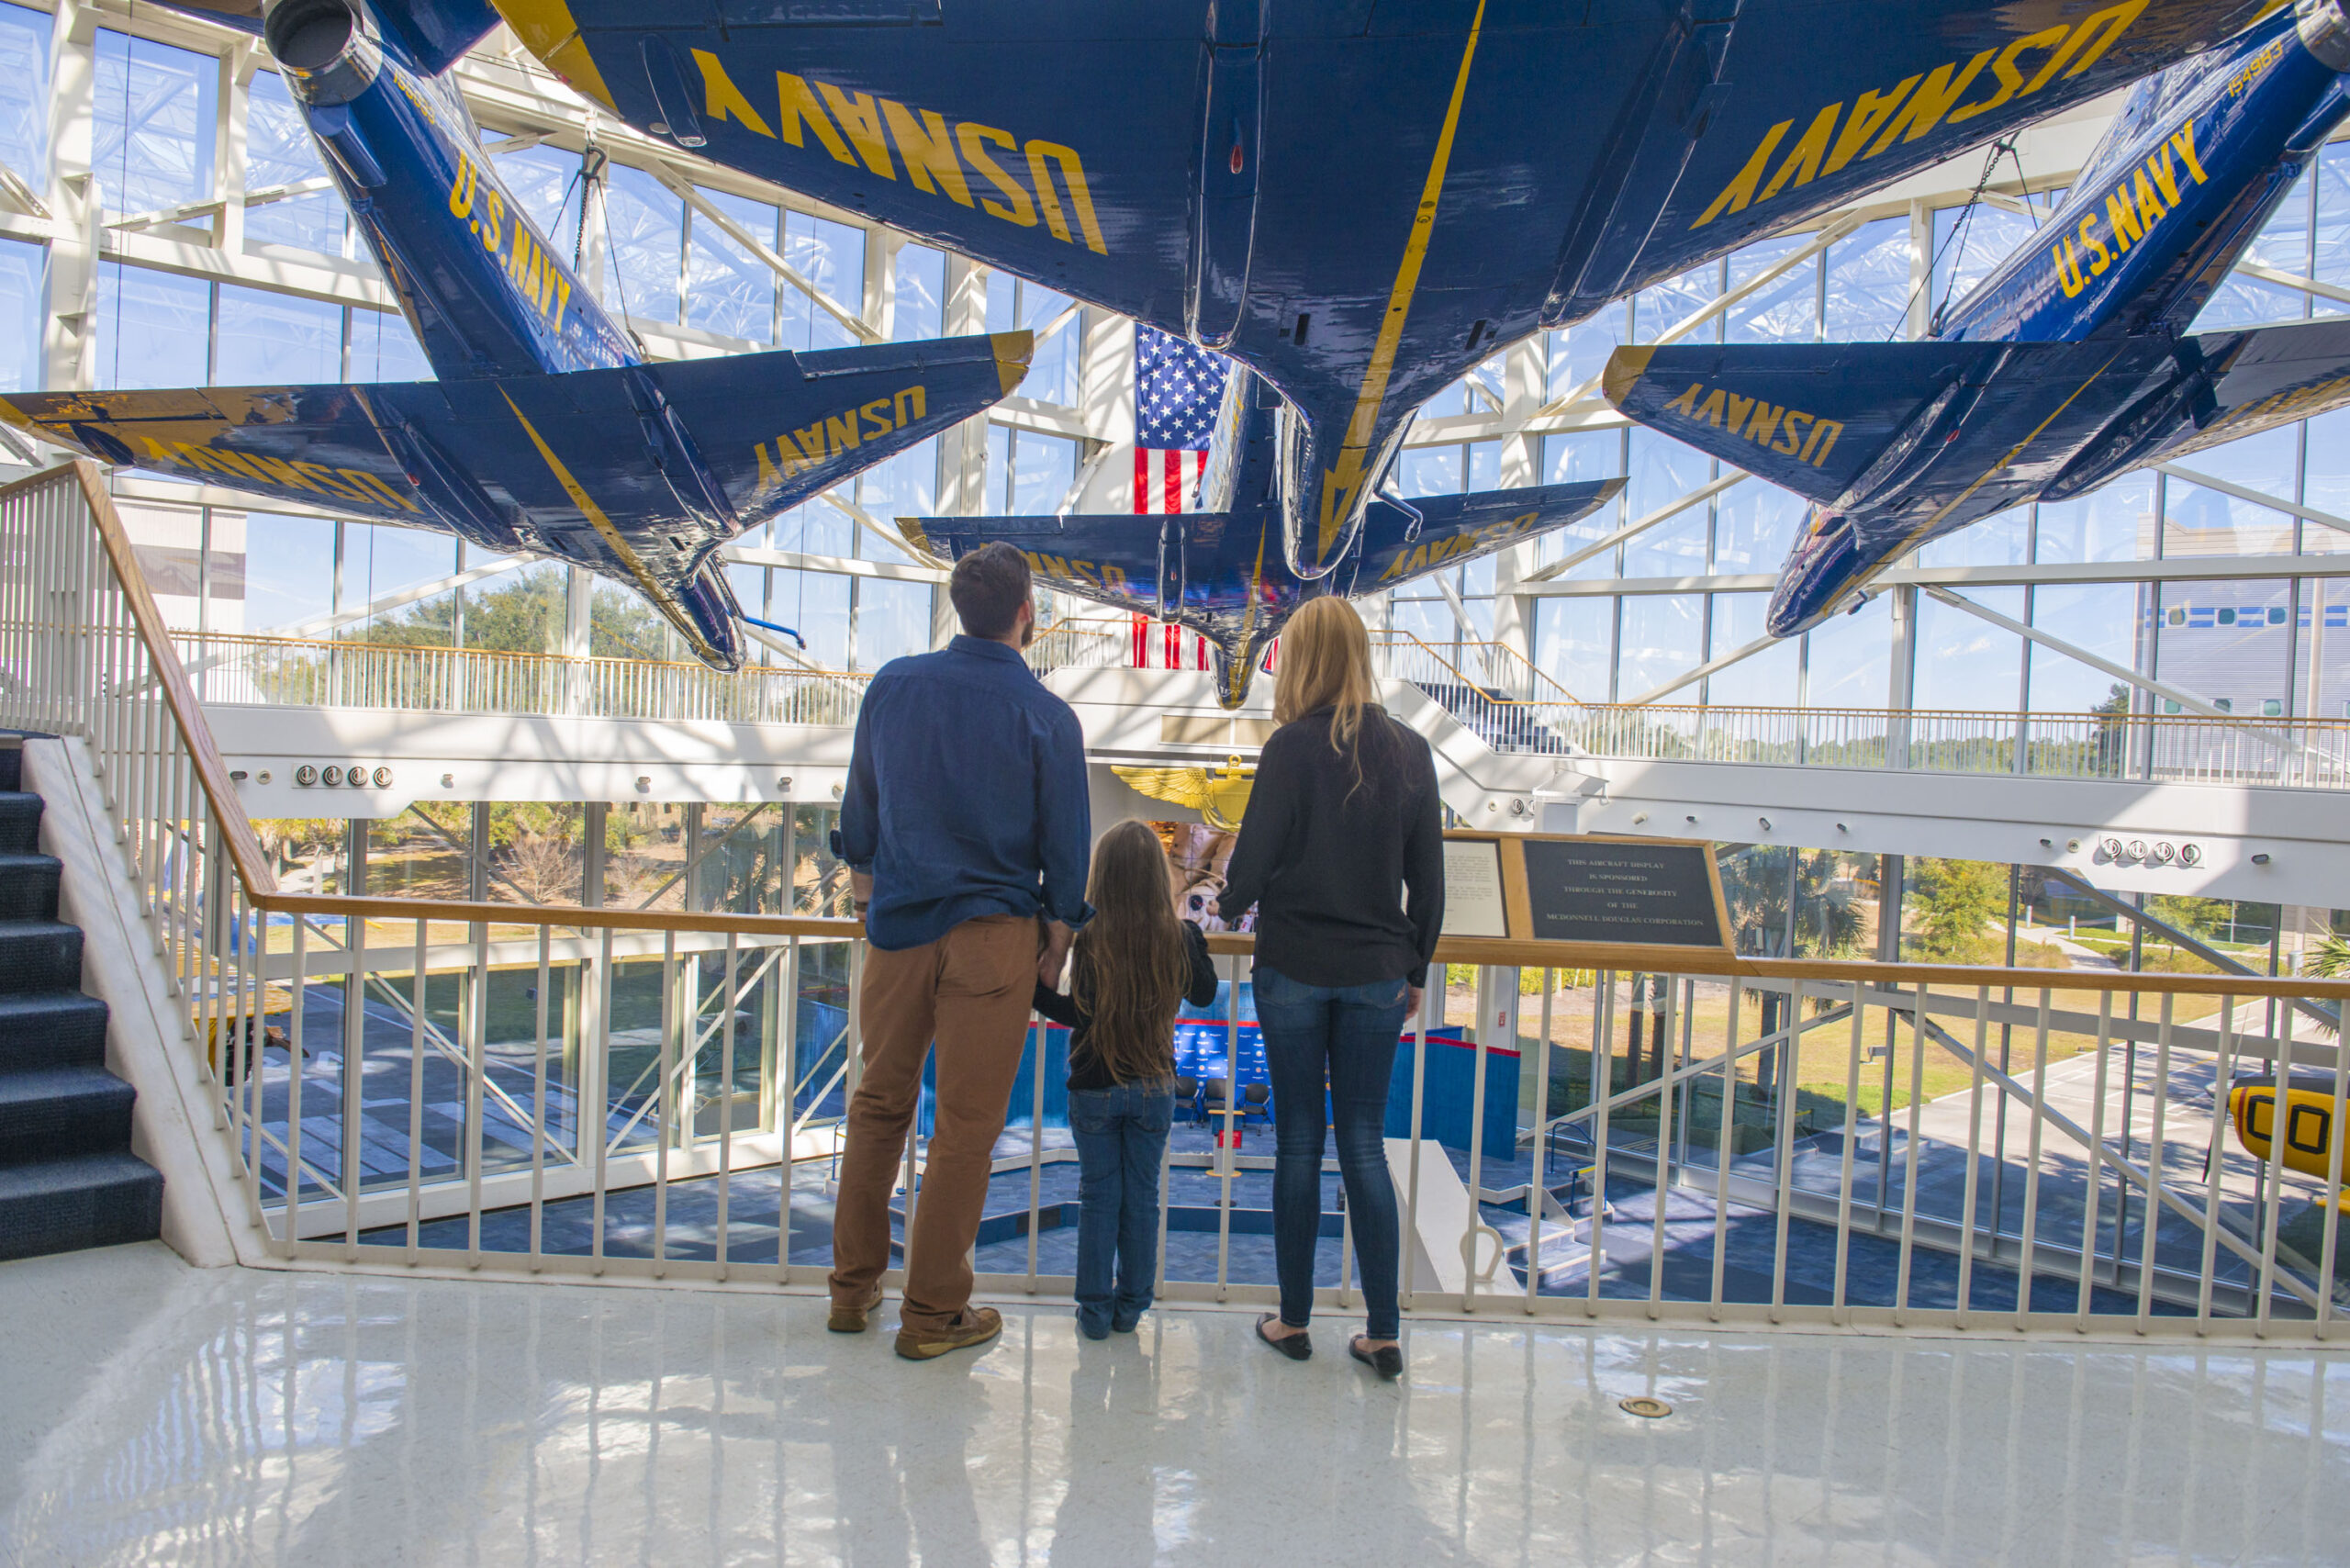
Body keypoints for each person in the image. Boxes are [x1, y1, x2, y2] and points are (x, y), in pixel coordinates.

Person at [827, 543, 1093, 1361]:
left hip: (900, 931)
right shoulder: (1048, 716)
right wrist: (1055, 939)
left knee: (878, 1107)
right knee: (966, 1132)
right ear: (1028, 616)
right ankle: (933, 1315)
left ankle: (851, 1292)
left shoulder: (894, 686)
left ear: (957, 607)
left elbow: (860, 814)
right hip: (994, 940)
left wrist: (872, 898)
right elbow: (1066, 849)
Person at [1215, 596, 1442, 1380]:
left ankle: (1294, 1319)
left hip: (1294, 972)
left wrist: (1224, 901)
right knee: (1364, 1146)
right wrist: (1413, 971)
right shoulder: (1412, 750)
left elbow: (1249, 870)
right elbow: (1431, 888)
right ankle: (1383, 1332)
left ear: (1301, 658)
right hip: (1379, 974)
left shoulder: (1289, 748)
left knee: (1299, 1145)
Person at [1032, 820, 1220, 1339]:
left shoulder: (1089, 937)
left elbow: (1073, 1012)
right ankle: (1131, 1306)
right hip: (1155, 1088)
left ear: (1104, 877)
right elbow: (1203, 995)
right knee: (1142, 1198)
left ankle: (1093, 1311)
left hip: (1093, 1086)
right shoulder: (1178, 935)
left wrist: (1035, 982)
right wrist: (1193, 941)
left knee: (1097, 1198)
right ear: (1158, 880)